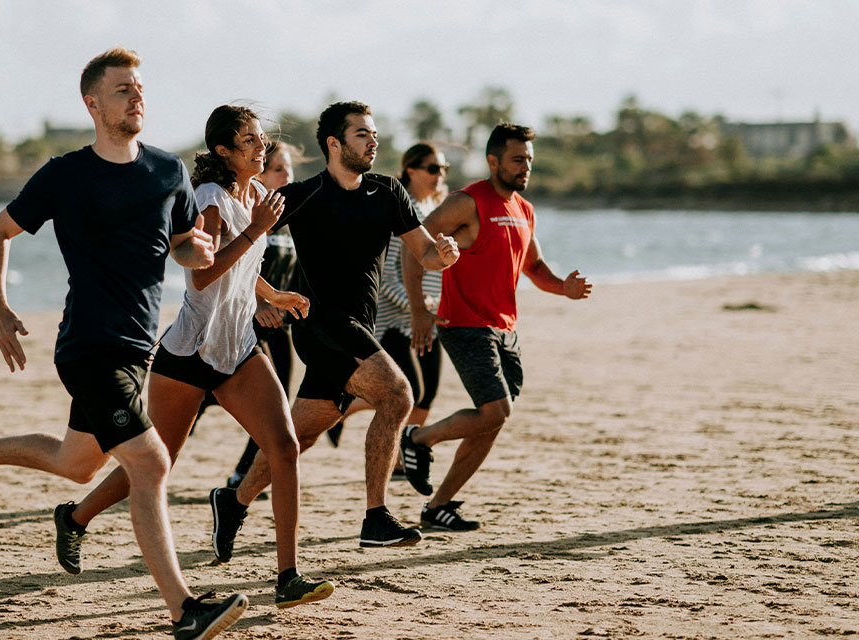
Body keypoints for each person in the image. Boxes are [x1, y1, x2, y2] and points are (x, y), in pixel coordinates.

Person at [0, 48, 246, 640]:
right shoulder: (65, 174)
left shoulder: (167, 171)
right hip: (87, 347)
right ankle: (184, 611)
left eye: (140, 88)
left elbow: (184, 244)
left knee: (77, 464)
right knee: (151, 464)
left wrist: (199, 253)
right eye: (123, 90)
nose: (137, 98)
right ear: (93, 103)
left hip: (137, 348)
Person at [56, 106, 335, 609]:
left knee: (285, 447)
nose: (260, 146)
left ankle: (287, 577)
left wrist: (273, 297)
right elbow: (202, 275)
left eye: (261, 138)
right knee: (158, 460)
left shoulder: (256, 197)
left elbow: (243, 268)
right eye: (248, 140)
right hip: (188, 352)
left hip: (238, 349)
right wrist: (256, 231)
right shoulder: (209, 200)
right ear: (225, 151)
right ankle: (75, 517)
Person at [210, 102, 460, 560]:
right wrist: (262, 299)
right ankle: (375, 518)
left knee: (298, 437)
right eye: (362, 134)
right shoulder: (304, 195)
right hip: (321, 324)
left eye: (374, 133)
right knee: (398, 394)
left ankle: (233, 500)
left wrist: (444, 255)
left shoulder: (388, 192)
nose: (373, 141)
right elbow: (241, 247)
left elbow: (424, 253)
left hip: (357, 326)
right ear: (334, 144)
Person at [400, 123, 593, 532]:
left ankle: (438, 507)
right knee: (496, 410)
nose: (525, 167)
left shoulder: (524, 209)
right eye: (517, 159)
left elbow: (535, 268)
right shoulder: (466, 202)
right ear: (493, 161)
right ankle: (418, 439)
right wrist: (418, 310)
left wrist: (565, 289)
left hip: (505, 329)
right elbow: (412, 247)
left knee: (492, 419)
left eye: (529, 161)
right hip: (465, 324)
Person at [324, 143, 451, 500]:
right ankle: (350, 412)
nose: (439, 175)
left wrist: (435, 306)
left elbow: (436, 272)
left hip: (428, 316)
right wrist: (416, 307)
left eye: (443, 168)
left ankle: (399, 458)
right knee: (412, 392)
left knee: (429, 393)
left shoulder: (434, 210)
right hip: (397, 321)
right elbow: (389, 277)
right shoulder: (402, 208)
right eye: (431, 168)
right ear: (410, 169)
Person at [223, 140, 303, 490]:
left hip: (279, 327)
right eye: (279, 170)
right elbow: (233, 266)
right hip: (248, 324)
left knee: (277, 404)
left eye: (290, 169)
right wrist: (259, 303)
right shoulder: (251, 216)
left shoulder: (289, 218)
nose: (288, 176)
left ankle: (244, 470)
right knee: (259, 403)